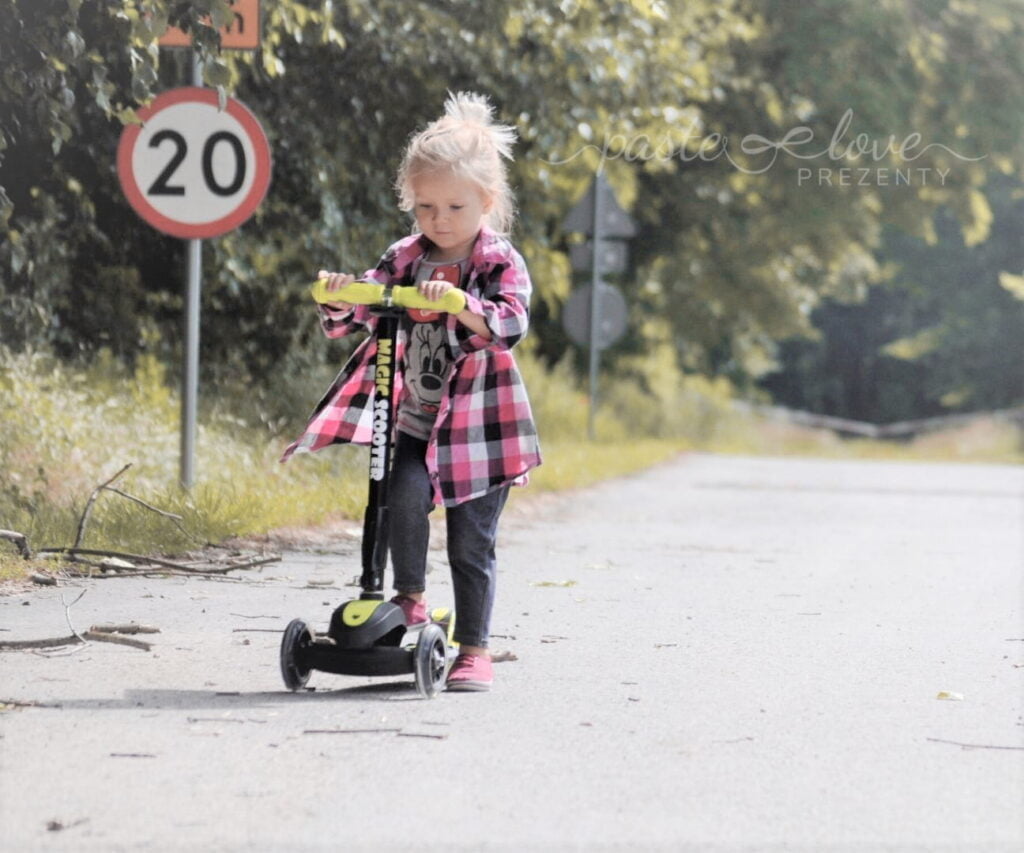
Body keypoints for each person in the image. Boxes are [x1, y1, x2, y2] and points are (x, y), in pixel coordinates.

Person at [282, 91, 541, 692]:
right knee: (401, 499)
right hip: (416, 423)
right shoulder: (405, 258)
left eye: (454, 206)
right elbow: (358, 312)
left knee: (470, 544)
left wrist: (463, 305)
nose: (439, 219)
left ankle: (474, 648)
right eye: (425, 206)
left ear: (486, 202)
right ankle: (412, 600)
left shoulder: (497, 260)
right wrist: (341, 294)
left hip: (480, 430)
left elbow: (511, 322)